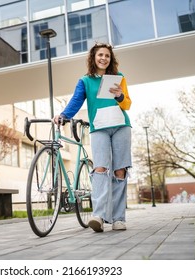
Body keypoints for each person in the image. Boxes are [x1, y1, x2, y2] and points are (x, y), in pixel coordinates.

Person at [53, 42, 132, 232]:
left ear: (110, 59)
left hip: (121, 126)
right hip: (99, 129)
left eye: (107, 55)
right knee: (100, 169)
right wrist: (63, 116)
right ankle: (98, 215)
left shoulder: (119, 77)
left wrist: (120, 96)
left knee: (119, 171)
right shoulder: (85, 81)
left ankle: (118, 219)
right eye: (100, 55)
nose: (104, 58)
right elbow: (75, 102)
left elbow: (127, 105)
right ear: (93, 58)